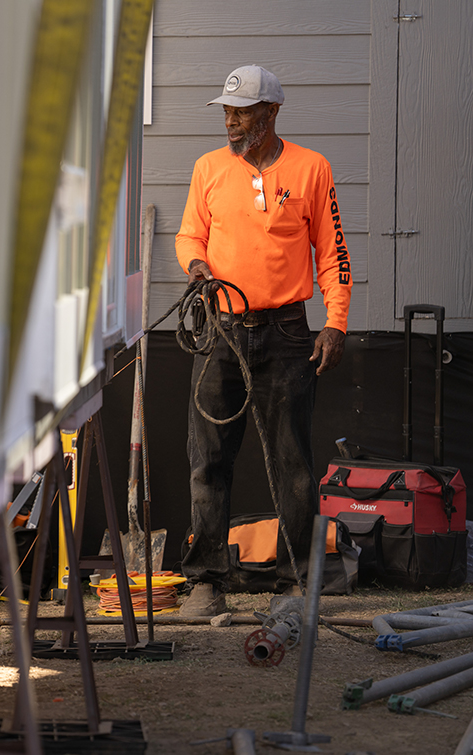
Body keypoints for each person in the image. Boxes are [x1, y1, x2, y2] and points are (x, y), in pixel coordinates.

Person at [174, 65, 351, 616]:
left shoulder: (312, 168)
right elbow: (188, 234)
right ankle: (206, 581)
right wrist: (197, 264)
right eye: (227, 110)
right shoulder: (208, 168)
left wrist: (336, 322)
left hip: (288, 331)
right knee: (208, 459)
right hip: (220, 327)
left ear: (271, 112)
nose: (231, 120)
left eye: (243, 110)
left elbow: (334, 251)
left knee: (293, 461)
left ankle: (296, 583)